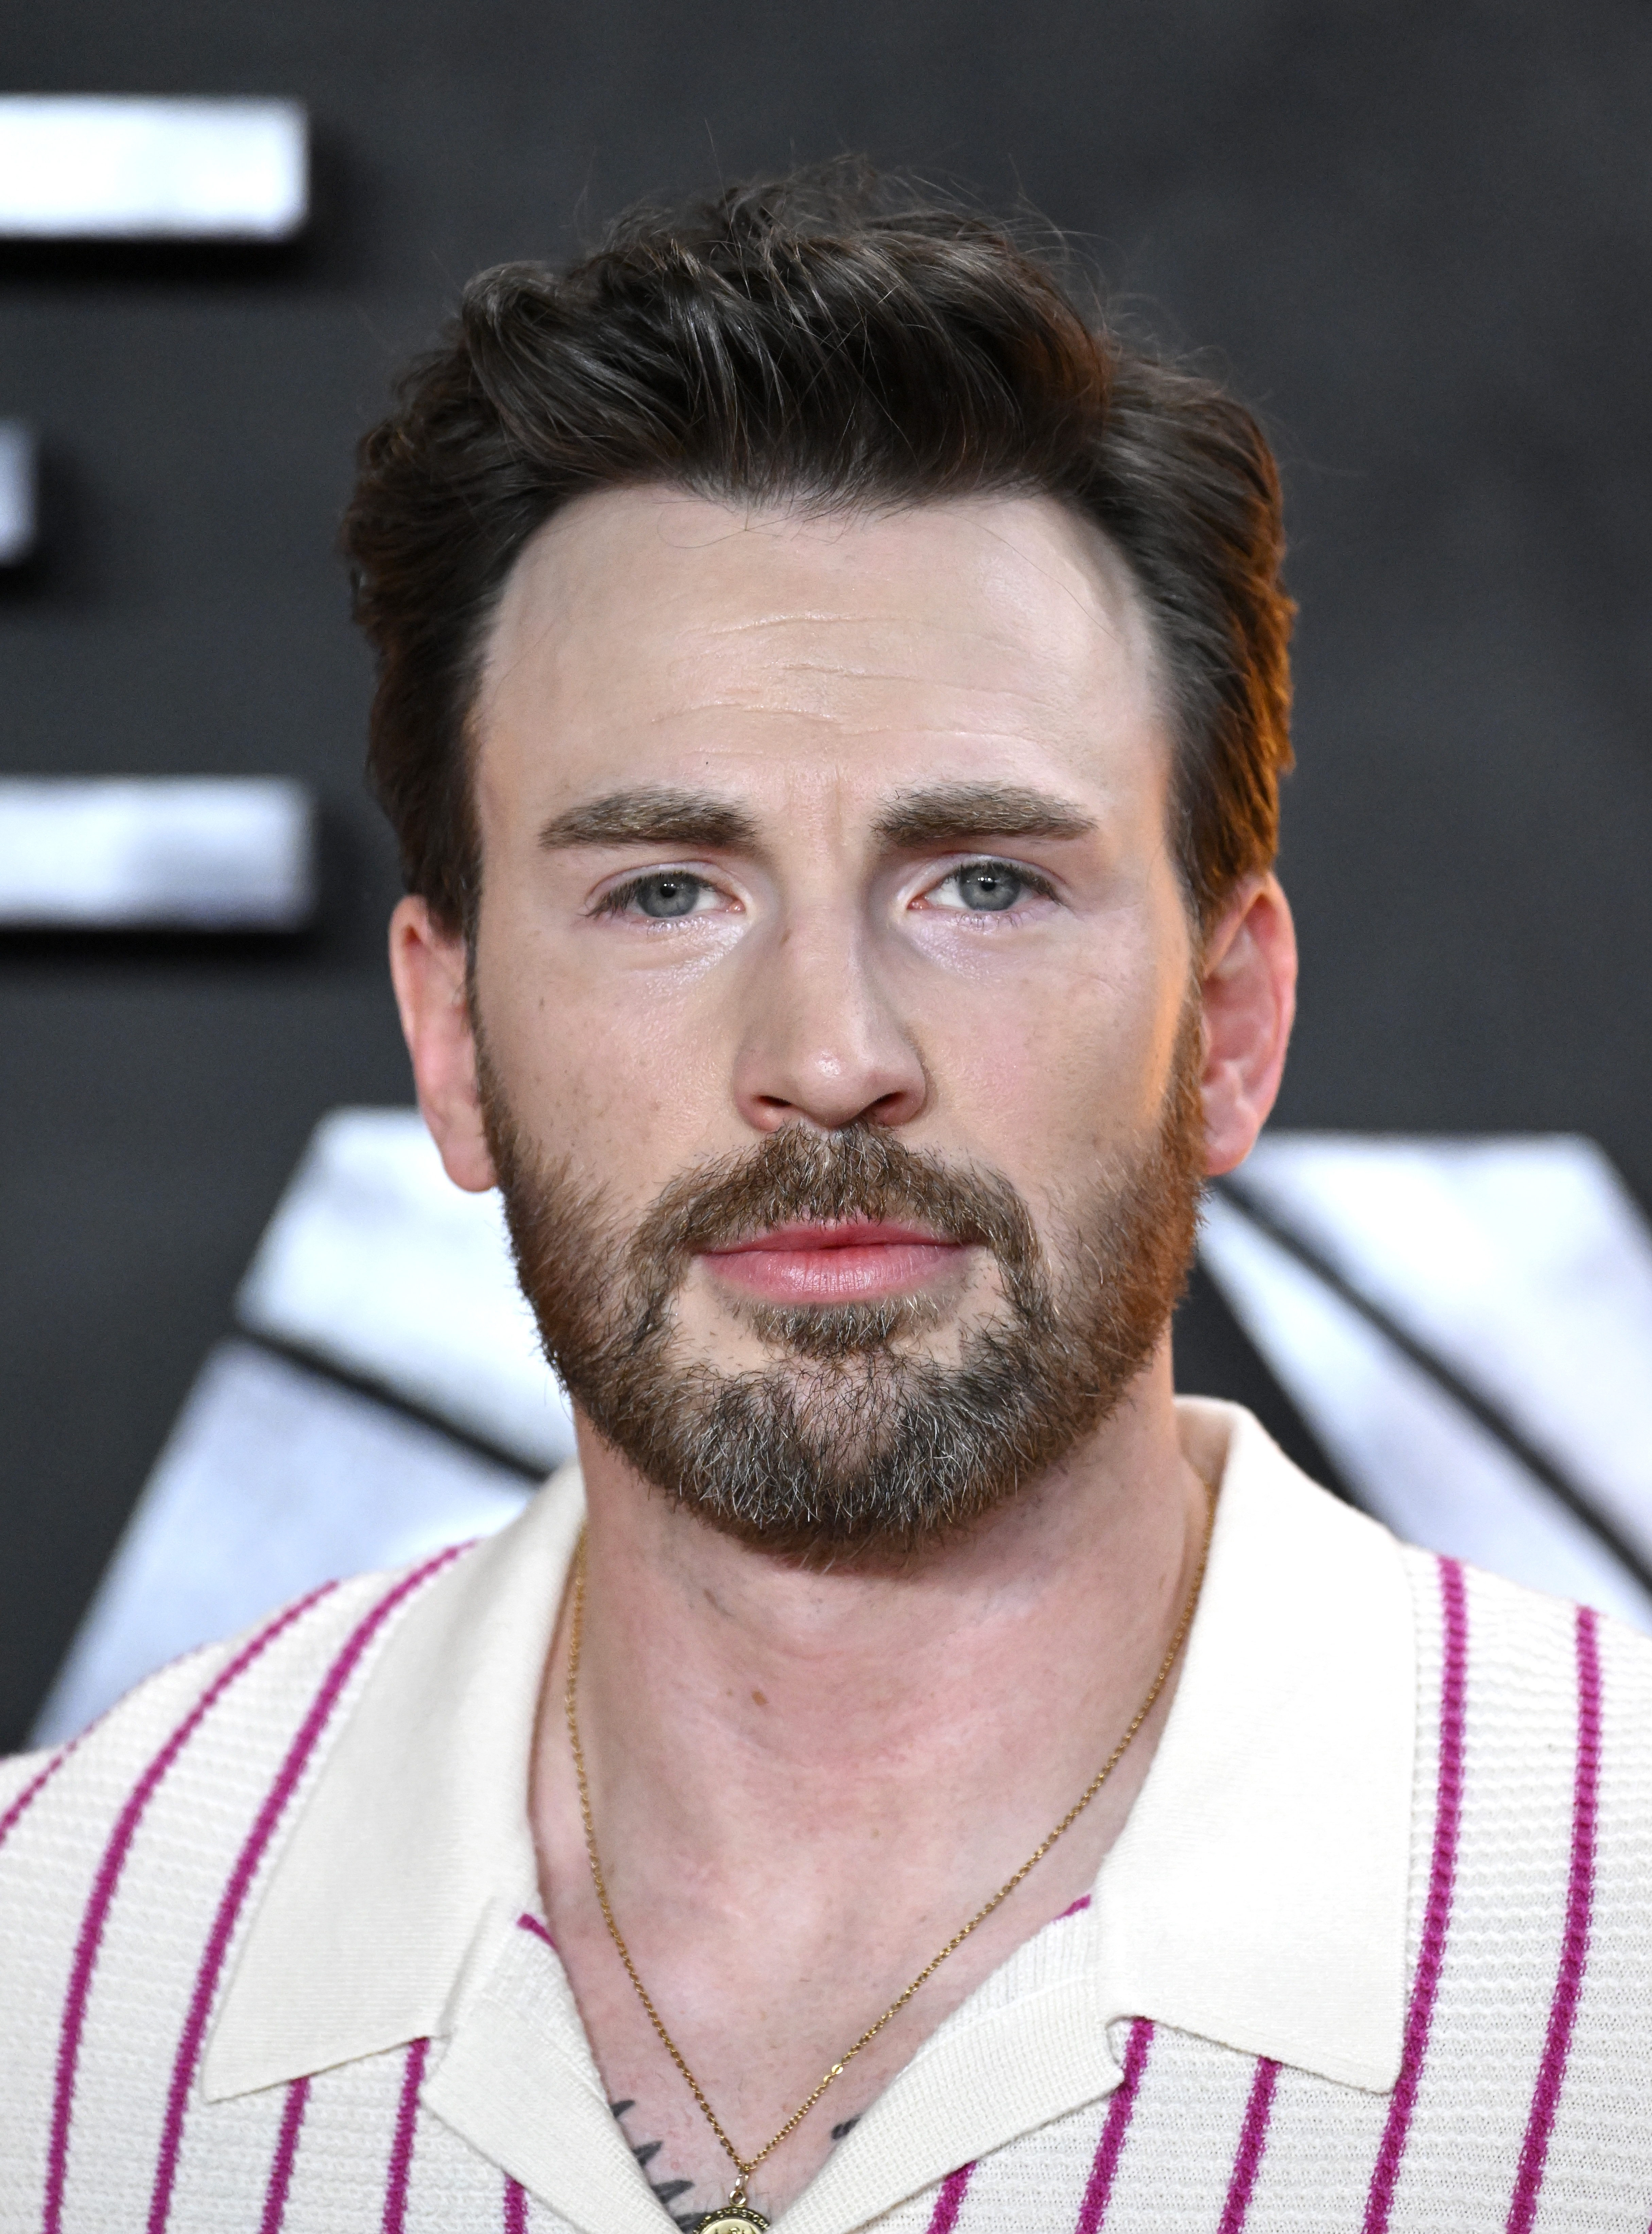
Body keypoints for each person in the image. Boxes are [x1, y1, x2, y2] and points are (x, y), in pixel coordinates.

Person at [2, 165, 1647, 2234]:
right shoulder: (50, 1961)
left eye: (983, 883)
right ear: (451, 1039)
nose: (832, 1046)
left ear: (1228, 1023)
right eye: (665, 891)